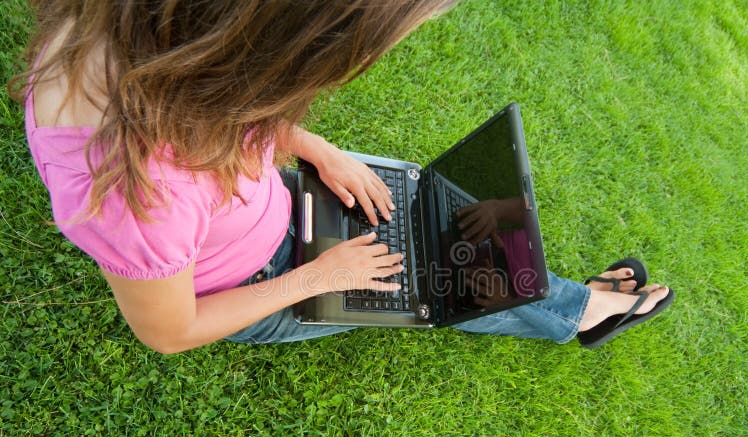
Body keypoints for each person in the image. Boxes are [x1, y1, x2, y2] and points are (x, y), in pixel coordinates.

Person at [12, 0, 673, 354]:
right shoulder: (137, 200)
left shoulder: (137, 34)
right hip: (262, 283)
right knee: (441, 276)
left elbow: (212, 102)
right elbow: (170, 329)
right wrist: (320, 280)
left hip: (277, 206)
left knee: (430, 218)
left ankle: (568, 304)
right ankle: (583, 312)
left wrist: (313, 145)